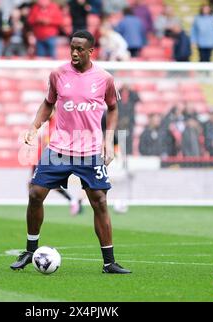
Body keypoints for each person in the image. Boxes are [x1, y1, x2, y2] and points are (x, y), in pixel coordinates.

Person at [10, 30, 131, 274]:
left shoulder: (104, 78)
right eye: (72, 48)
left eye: (79, 49)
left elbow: (114, 108)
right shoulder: (57, 74)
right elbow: (48, 103)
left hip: (90, 149)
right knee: (35, 194)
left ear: (90, 51)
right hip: (59, 147)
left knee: (100, 202)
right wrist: (35, 126)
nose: (74, 53)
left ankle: (109, 262)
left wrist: (109, 140)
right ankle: (30, 251)